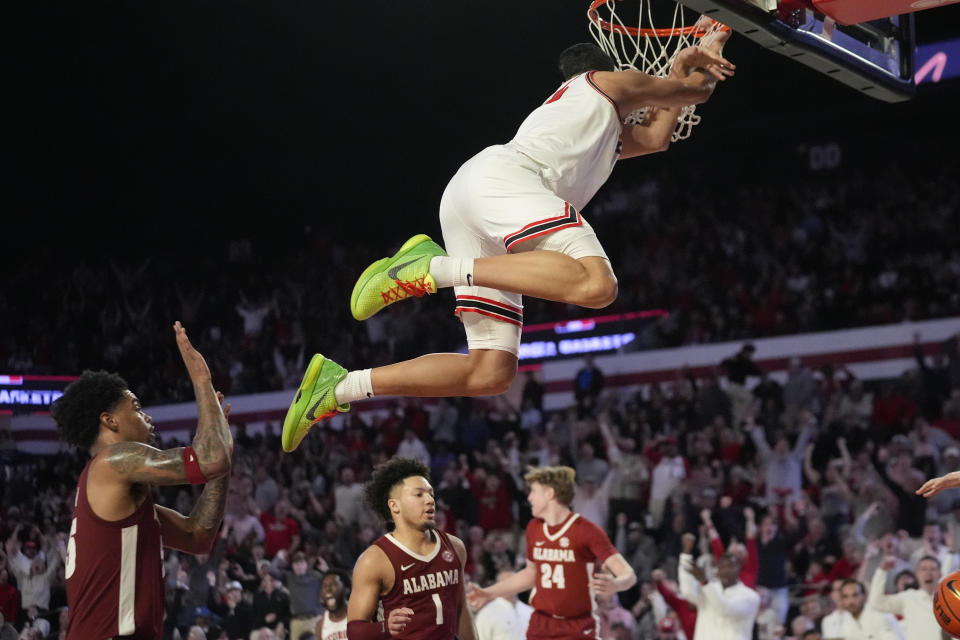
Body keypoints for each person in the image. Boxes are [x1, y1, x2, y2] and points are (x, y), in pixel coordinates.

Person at [279, 21, 736, 452]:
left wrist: (680, 71)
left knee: (491, 372)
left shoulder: (599, 126)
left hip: (475, 198)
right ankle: (428, 269)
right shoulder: (608, 83)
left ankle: (339, 386)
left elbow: (657, 137)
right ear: (605, 69)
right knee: (597, 284)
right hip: (505, 184)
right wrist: (705, 53)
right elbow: (697, 92)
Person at [50, 322, 233, 639]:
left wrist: (222, 465)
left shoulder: (122, 501)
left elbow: (197, 536)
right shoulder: (113, 461)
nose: (148, 416)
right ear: (109, 421)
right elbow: (211, 459)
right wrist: (201, 379)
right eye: (136, 407)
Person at [466, 466, 637, 639]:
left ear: (549, 494)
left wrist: (616, 585)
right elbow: (530, 574)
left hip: (576, 626)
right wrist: (489, 593)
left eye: (534, 491)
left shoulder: (587, 531)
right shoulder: (534, 528)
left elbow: (628, 574)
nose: (529, 497)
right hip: (541, 624)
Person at [346, 457, 476, 640]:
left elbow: (462, 610)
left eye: (431, 493)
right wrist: (385, 627)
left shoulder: (455, 547)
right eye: (419, 494)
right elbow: (354, 631)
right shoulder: (374, 560)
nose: (430, 500)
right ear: (394, 505)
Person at [678, 533, 760, 640]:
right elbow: (687, 591)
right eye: (721, 567)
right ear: (717, 570)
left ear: (739, 568)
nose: (725, 570)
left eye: (730, 566)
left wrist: (705, 582)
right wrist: (686, 553)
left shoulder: (750, 597)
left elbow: (725, 609)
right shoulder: (709, 590)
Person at [867, 554, 946, 640]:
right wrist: (882, 571)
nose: (928, 573)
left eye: (933, 569)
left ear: (940, 574)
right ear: (917, 574)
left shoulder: (949, 598)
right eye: (923, 569)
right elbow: (876, 602)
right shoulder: (908, 597)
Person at [836, 579, 904, 640]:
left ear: (864, 596)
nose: (851, 601)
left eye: (855, 595)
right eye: (845, 597)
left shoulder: (879, 612)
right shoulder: (844, 619)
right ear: (841, 600)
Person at [315, 569, 350, 640]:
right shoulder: (321, 625)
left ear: (346, 590)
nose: (328, 589)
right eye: (325, 586)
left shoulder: (359, 614)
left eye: (334, 584)